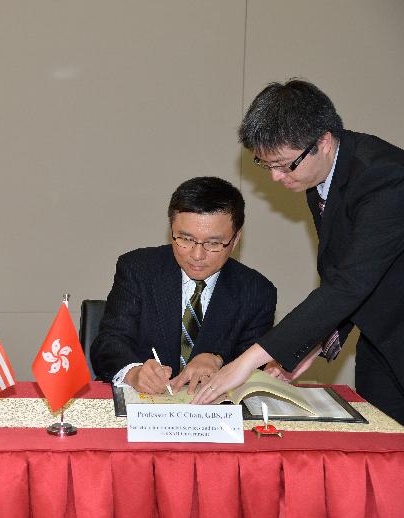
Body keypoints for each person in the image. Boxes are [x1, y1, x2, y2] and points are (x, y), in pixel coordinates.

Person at [193, 80, 404, 425]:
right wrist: (313, 344)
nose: (276, 177)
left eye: (283, 164)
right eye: (266, 165)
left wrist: (246, 361)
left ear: (322, 141)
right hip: (380, 337)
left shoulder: (385, 178)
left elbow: (350, 281)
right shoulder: (316, 174)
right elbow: (344, 270)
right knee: (378, 449)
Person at [91, 177, 277, 395]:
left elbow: (256, 361)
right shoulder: (138, 269)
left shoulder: (256, 292)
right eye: (185, 239)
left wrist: (217, 360)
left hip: (214, 417)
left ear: (235, 239)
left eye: (213, 243)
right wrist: (134, 372)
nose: (197, 255)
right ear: (171, 229)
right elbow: (109, 342)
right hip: (143, 405)